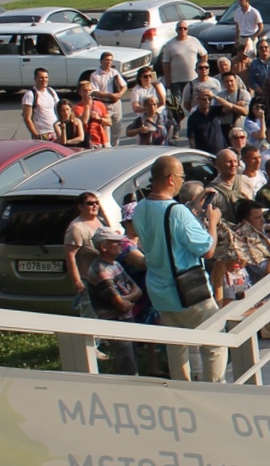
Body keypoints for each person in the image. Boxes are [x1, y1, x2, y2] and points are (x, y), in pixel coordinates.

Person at [135, 155, 225, 382]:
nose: (182, 182)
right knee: (215, 341)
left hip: (159, 289)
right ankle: (217, 389)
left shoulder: (140, 207)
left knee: (176, 345)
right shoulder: (177, 212)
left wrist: (192, 209)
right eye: (182, 177)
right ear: (170, 178)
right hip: (187, 289)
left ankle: (181, 387)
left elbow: (164, 230)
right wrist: (212, 221)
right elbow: (207, 250)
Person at [84, 228, 144, 376]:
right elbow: (121, 306)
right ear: (103, 247)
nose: (120, 245)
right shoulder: (101, 272)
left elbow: (138, 290)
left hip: (126, 320)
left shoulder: (115, 264)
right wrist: (129, 300)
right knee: (127, 363)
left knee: (127, 358)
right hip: (115, 323)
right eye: (115, 243)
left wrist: (126, 299)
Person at [21, 68, 61, 140]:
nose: (44, 80)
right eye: (41, 78)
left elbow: (60, 109)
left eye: (46, 77)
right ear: (35, 79)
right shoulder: (30, 94)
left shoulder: (51, 91)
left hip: (55, 131)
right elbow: (27, 118)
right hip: (42, 133)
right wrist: (36, 135)